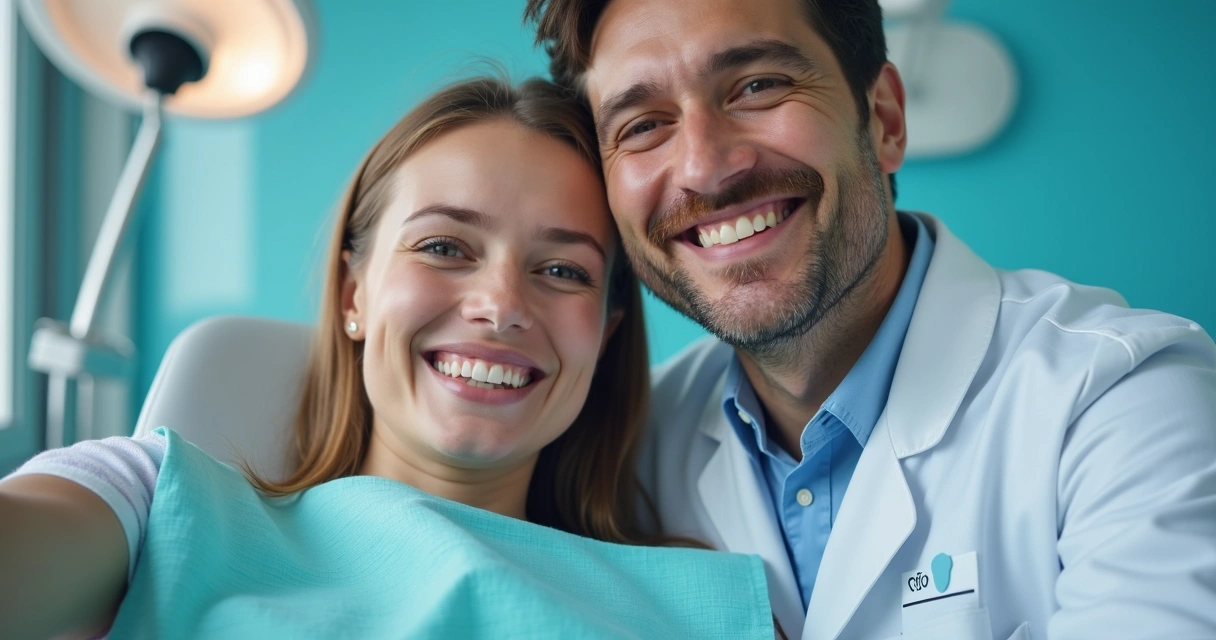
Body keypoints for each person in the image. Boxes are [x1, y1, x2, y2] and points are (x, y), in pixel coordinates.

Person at [524, 0, 1216, 638]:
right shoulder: (620, 455)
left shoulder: (1128, 400)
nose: (704, 168)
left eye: (757, 85)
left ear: (884, 118)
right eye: (642, 126)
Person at [0, 77, 775, 639]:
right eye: (444, 247)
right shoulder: (154, 506)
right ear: (352, 295)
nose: (501, 305)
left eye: (562, 270)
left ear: (603, 339)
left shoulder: (705, 609)